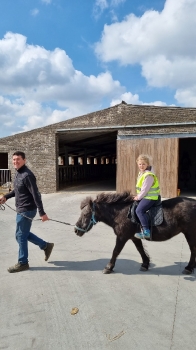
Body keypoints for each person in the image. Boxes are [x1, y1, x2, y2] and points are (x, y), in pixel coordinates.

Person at [0, 151, 54, 273]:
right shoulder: (18, 173)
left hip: (27, 210)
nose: (15, 161)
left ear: (24, 160)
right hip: (21, 209)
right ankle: (45, 246)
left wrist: (42, 213)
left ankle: (23, 262)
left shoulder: (27, 175)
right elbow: (17, 191)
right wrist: (6, 197)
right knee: (22, 234)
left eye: (18, 159)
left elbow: (36, 195)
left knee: (21, 236)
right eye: (14, 159)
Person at [133, 154, 160, 239]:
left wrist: (138, 197)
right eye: (140, 164)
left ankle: (146, 231)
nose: (141, 166)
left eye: (143, 164)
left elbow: (145, 189)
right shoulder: (141, 173)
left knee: (139, 210)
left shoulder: (148, 175)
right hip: (145, 196)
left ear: (147, 164)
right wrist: (137, 195)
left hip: (150, 198)